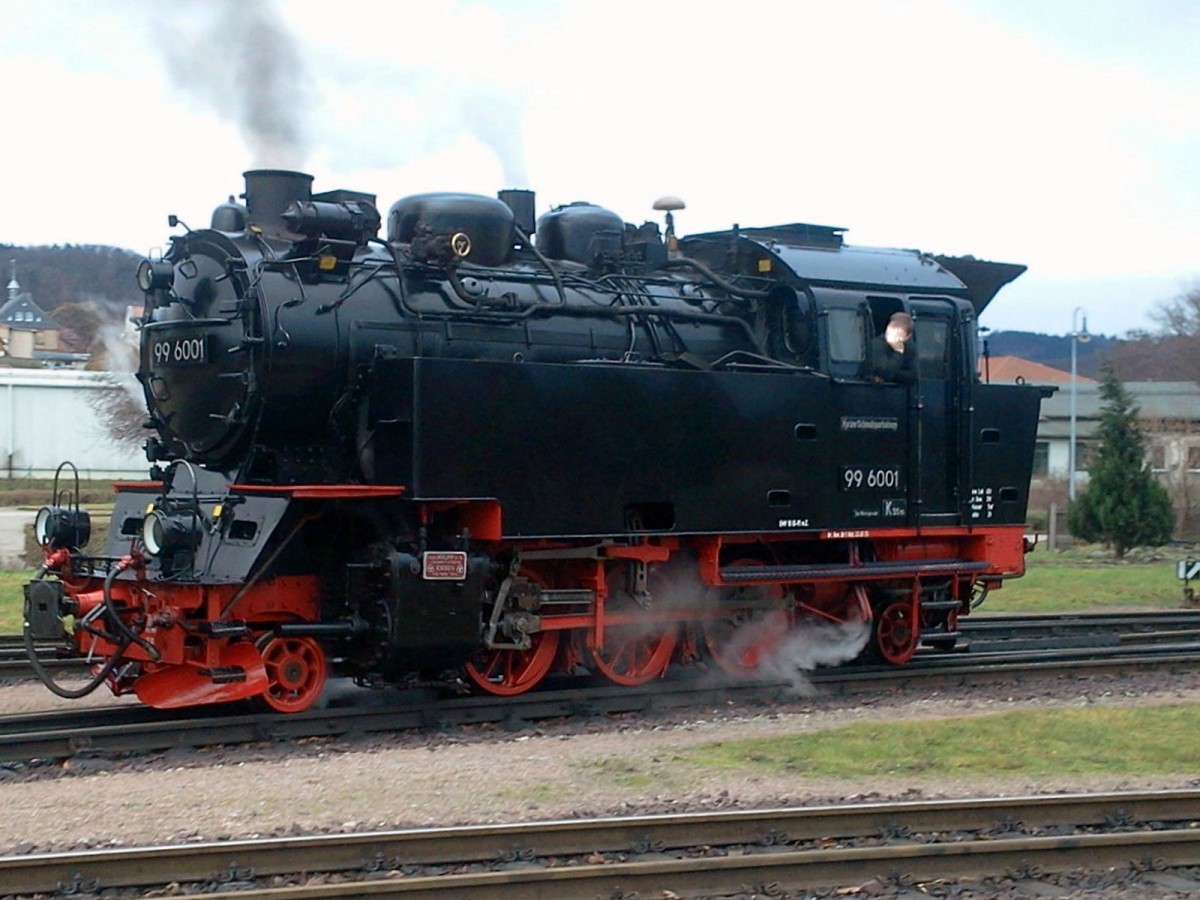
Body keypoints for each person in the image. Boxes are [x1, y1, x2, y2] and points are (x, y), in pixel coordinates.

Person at [868, 312, 916, 384]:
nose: (892, 339)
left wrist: (891, 376)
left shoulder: (910, 348)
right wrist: (898, 353)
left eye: (898, 337)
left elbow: (913, 376)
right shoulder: (876, 345)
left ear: (907, 337)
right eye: (889, 333)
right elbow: (885, 371)